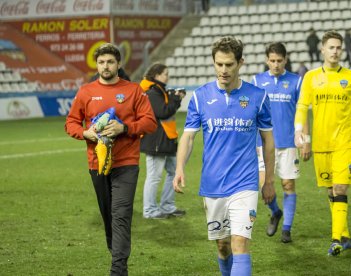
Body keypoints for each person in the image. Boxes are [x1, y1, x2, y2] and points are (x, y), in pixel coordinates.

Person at [173, 36, 276, 275]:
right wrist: (179, 168)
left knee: (240, 243)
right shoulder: (200, 96)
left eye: (229, 64)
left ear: (241, 63)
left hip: (245, 183)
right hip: (212, 184)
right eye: (219, 64)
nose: (223, 70)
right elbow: (188, 137)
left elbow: (268, 142)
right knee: (223, 246)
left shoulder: (257, 97)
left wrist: (268, 180)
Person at [65, 43, 157, 275]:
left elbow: (149, 122)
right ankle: (115, 250)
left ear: (118, 64)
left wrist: (124, 127)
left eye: (110, 62)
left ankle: (118, 269)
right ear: (97, 65)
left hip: (126, 163)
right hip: (97, 164)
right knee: (109, 216)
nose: (106, 66)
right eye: (102, 62)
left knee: (121, 214)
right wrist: (85, 133)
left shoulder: (133, 90)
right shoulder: (86, 91)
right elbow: (71, 122)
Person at [294, 30, 351, 256]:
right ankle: (344, 235)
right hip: (321, 144)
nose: (335, 51)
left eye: (339, 47)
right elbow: (302, 107)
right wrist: (300, 133)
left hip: (345, 142)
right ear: (322, 49)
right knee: (330, 191)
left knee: (339, 188)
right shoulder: (310, 77)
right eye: (332, 47)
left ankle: (335, 240)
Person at [252, 42, 311, 243]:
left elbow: (303, 113)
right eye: (272, 60)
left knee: (287, 185)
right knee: (263, 185)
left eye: (279, 60)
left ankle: (286, 229)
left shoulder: (296, 81)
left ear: (285, 60)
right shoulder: (257, 81)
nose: (275, 64)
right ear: (266, 60)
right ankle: (276, 212)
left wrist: (306, 140)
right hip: (263, 143)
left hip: (288, 142)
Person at [139, 62, 186, 219]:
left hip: (165, 140)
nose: (168, 76)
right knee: (154, 176)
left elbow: (165, 111)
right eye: (165, 73)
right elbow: (163, 112)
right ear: (157, 75)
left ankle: (167, 206)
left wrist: (174, 98)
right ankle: (150, 210)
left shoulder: (158, 91)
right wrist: (176, 99)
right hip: (156, 141)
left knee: (173, 171)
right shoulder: (153, 92)